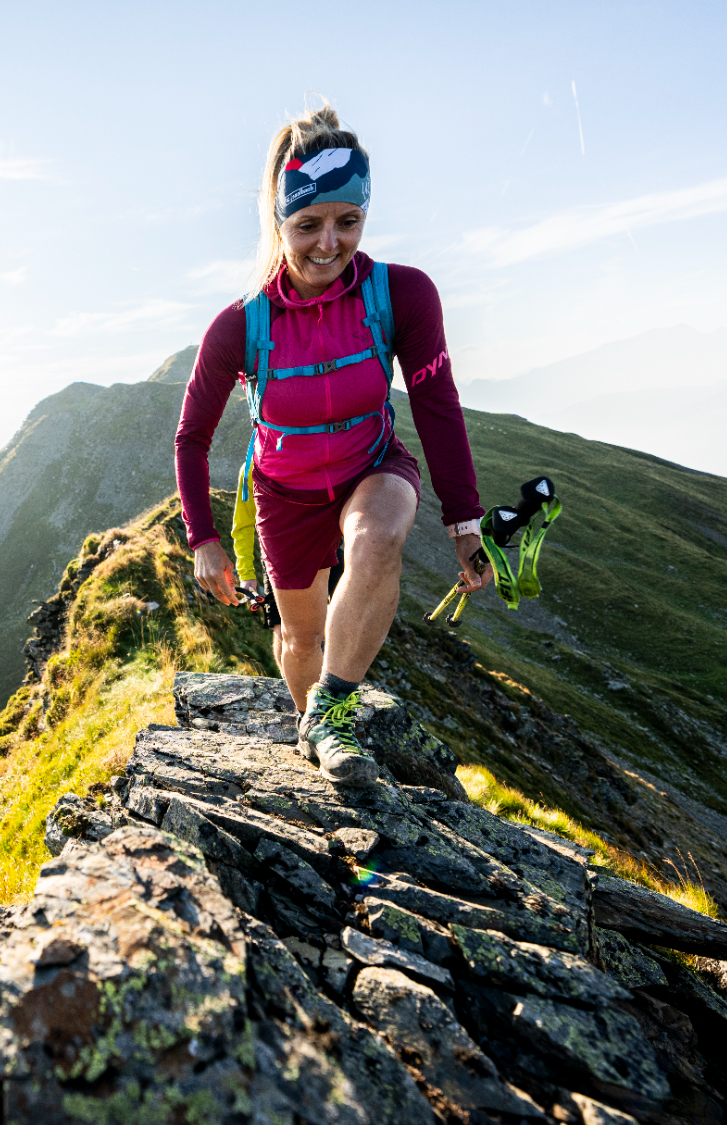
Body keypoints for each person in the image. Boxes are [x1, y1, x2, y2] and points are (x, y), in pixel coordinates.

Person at [175, 102, 489, 783]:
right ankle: (319, 734)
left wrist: (465, 521)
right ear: (278, 221)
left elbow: (436, 402)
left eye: (349, 222)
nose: (329, 243)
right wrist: (203, 538)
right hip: (285, 493)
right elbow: (191, 436)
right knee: (299, 637)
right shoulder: (241, 326)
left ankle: (331, 710)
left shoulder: (401, 295)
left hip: (371, 464)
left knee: (377, 539)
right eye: (308, 225)